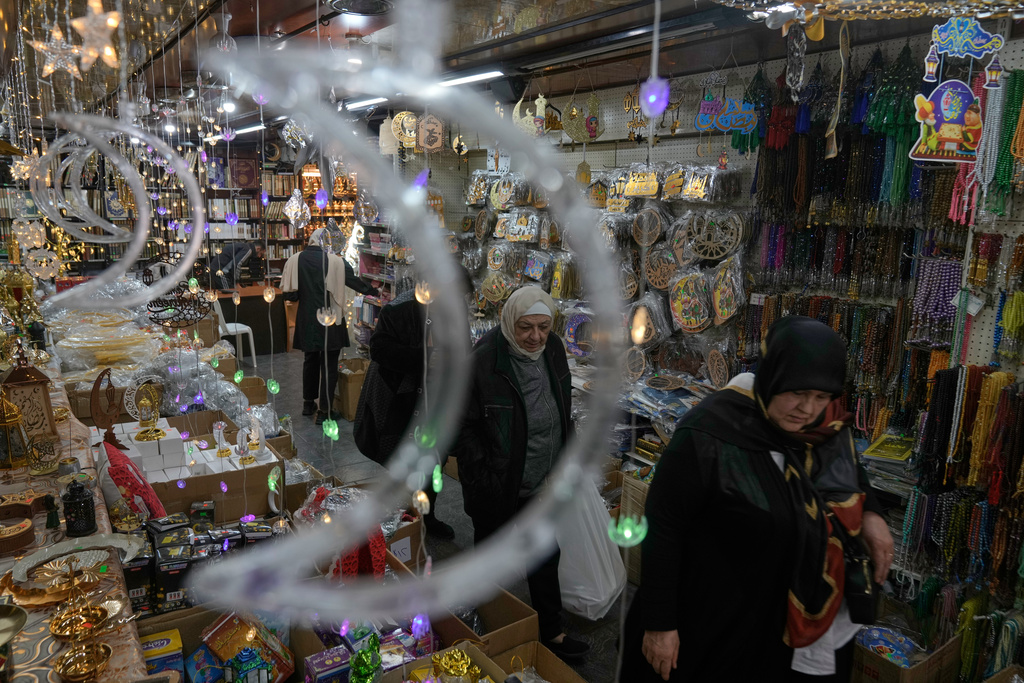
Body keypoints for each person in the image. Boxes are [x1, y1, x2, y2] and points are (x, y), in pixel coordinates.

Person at [624, 316, 894, 682]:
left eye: (820, 397)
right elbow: (663, 526)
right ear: (771, 378)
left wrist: (873, 516)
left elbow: (847, 476)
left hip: (780, 627)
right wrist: (660, 625)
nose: (807, 409)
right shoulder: (709, 433)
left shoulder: (824, 429)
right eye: (796, 393)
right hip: (712, 620)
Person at [452, 286, 591, 662]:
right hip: (498, 485)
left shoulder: (555, 349)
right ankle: (489, 630)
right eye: (526, 327)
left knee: (545, 555)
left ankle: (551, 632)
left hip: (542, 481)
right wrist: (485, 472)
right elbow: (458, 427)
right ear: (510, 320)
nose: (535, 337)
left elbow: (562, 406)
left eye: (544, 327)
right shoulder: (483, 361)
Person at [353, 266, 474, 540]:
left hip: (437, 399)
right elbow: (379, 349)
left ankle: (426, 517)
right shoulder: (400, 308)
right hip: (398, 396)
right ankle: (395, 521)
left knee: (434, 461)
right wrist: (423, 359)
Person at [282, 228, 375, 424]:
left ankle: (308, 404)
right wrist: (374, 291)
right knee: (329, 364)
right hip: (331, 319)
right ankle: (325, 410)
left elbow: (290, 295)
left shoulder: (295, 260)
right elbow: (355, 284)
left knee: (310, 360)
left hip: (307, 319)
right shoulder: (337, 262)